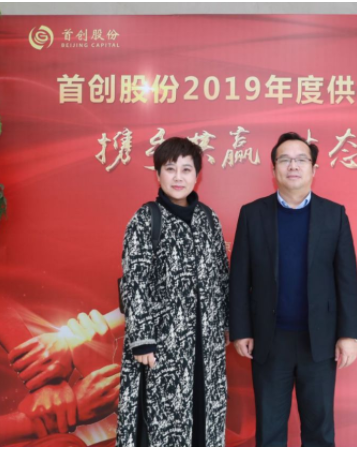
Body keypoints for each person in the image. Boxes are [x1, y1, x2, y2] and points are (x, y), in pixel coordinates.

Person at [229, 132, 357, 447]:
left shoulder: (334, 214)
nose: (293, 166)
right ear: (273, 169)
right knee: (270, 430)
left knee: (319, 430)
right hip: (269, 340)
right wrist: (241, 330)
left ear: (313, 169)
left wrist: (349, 334)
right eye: (285, 160)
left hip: (319, 341)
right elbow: (239, 278)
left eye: (301, 159)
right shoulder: (252, 214)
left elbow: (346, 279)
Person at [116, 137, 230, 447]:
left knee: (204, 421)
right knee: (160, 423)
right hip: (161, 346)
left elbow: (222, 276)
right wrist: (142, 340)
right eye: (170, 169)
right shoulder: (146, 218)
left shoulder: (209, 219)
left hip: (206, 346)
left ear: (197, 175)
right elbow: (135, 282)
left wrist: (225, 327)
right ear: (158, 174)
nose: (178, 177)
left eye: (186, 169)